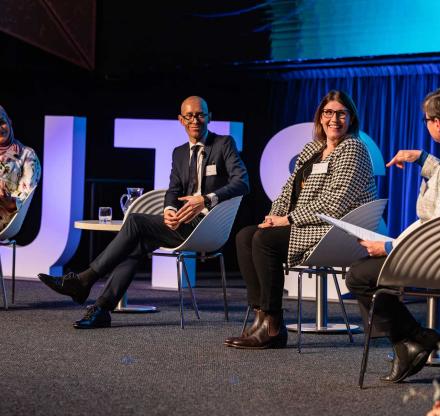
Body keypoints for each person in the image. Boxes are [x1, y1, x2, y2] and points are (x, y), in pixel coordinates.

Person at [38, 96, 249, 329]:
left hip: (208, 224)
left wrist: (206, 199)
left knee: (136, 222)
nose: (195, 120)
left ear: (210, 117)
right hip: (180, 223)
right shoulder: (179, 152)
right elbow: (173, 190)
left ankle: (84, 280)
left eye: (200, 114)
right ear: (181, 120)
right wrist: (169, 209)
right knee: (134, 247)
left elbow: (242, 182)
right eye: (189, 115)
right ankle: (101, 308)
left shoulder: (223, 144)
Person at [225, 90, 377, 349]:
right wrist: (273, 216)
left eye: (341, 113)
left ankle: (273, 326)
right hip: (307, 224)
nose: (334, 119)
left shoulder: (353, 148)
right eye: (328, 112)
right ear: (320, 117)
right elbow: (288, 191)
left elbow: (335, 204)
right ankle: (261, 315)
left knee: (264, 241)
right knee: (245, 236)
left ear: (351, 118)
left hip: (334, 230)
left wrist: (288, 219)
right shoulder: (312, 149)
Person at [346, 88, 440, 383]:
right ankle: (411, 342)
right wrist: (422, 157)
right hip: (427, 251)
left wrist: (389, 247)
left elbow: (437, 225)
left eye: (426, 119)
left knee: (360, 275)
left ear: (436, 122)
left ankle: (412, 340)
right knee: (364, 271)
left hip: (431, 257)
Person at [0, 106, 41, 230]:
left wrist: (10, 202)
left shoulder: (27, 155)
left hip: (6, 219)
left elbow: (24, 199)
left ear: (9, 122)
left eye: (2, 122)